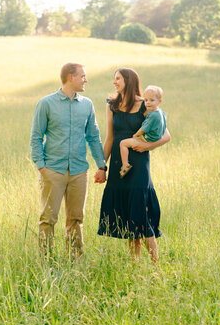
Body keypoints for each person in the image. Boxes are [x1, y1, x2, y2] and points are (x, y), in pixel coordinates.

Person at [30, 62, 107, 259]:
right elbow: (36, 137)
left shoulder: (87, 105)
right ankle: (45, 261)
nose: (86, 80)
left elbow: (93, 136)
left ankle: (76, 262)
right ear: (70, 77)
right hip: (53, 171)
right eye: (82, 76)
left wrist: (101, 165)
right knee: (48, 219)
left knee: (75, 219)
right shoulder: (46, 103)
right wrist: (41, 167)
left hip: (79, 172)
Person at [96, 68, 171, 262]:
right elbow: (110, 138)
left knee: (140, 213)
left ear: (129, 81)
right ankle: (134, 265)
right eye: (114, 79)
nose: (114, 82)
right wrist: (101, 167)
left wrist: (148, 145)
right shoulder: (112, 105)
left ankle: (156, 265)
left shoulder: (145, 104)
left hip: (139, 167)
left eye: (118, 78)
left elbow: (166, 135)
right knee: (129, 216)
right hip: (118, 167)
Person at [119, 85, 166, 178]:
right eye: (146, 100)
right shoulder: (161, 112)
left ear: (159, 101)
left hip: (146, 139)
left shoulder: (153, 115)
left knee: (123, 143)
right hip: (156, 137)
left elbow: (143, 129)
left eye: (152, 100)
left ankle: (125, 164)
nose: (148, 103)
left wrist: (136, 135)